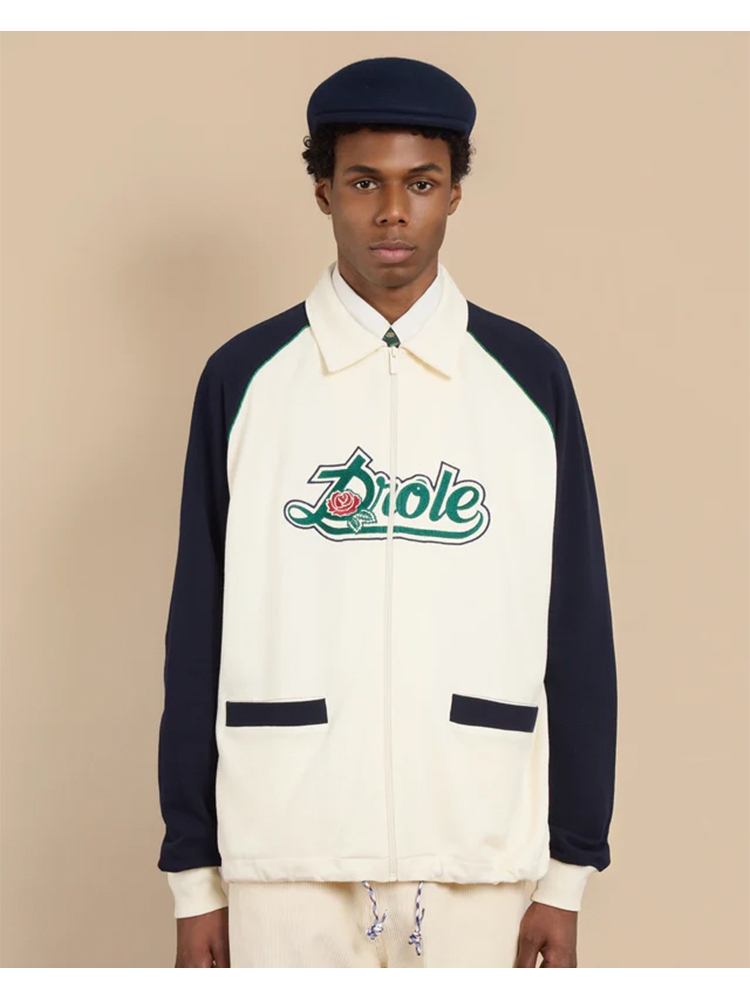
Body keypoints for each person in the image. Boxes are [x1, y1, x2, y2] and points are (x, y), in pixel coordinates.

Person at [157, 55, 618, 969]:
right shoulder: (246, 379)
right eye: (365, 182)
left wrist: (569, 871)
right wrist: (194, 878)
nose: (394, 212)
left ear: (456, 194)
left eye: (423, 183)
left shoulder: (528, 380)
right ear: (323, 191)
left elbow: (577, 628)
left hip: (480, 849)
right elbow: (196, 631)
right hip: (282, 849)